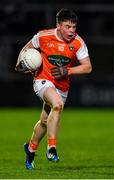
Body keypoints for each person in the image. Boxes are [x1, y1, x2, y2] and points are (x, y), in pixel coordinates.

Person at [15, 8, 92, 170]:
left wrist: (68, 70)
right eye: (67, 26)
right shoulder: (43, 36)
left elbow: (87, 67)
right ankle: (51, 148)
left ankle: (30, 149)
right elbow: (25, 49)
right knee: (57, 105)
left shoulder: (78, 42)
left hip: (62, 86)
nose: (72, 31)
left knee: (44, 122)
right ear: (58, 25)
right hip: (42, 80)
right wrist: (19, 64)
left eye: (74, 27)